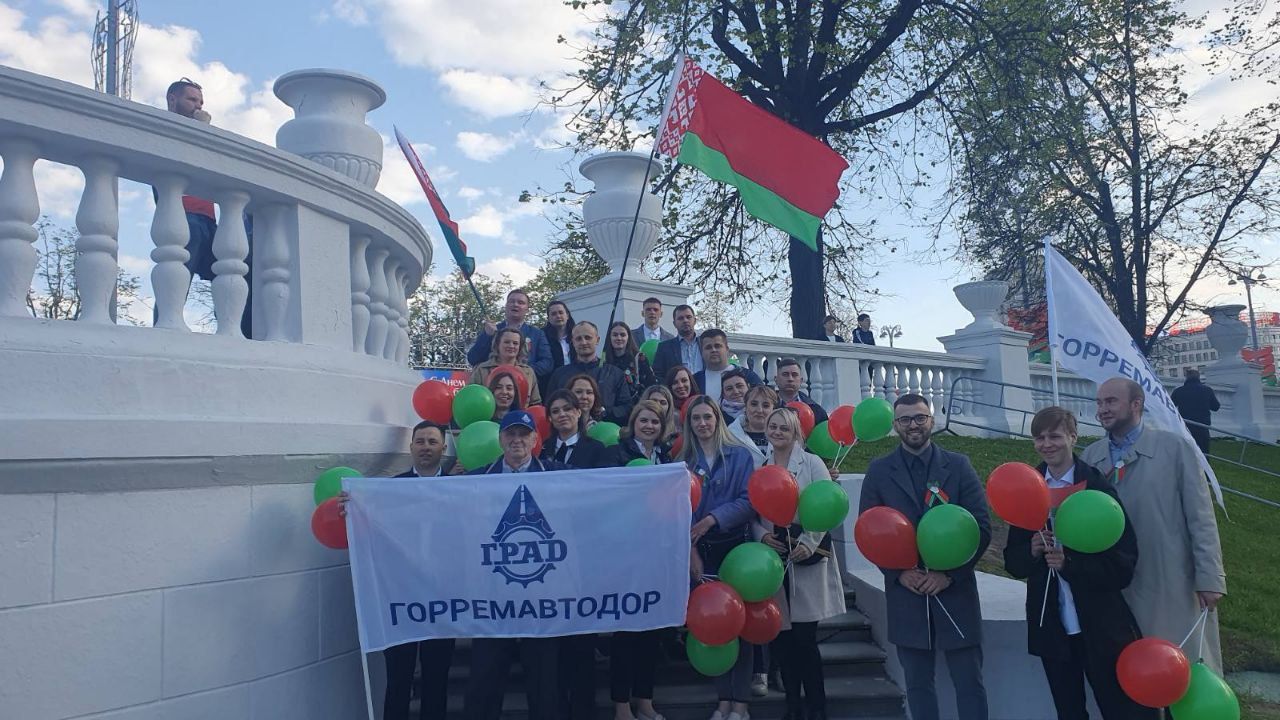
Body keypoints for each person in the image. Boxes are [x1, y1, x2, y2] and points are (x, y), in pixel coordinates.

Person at [1004, 407, 1156, 720]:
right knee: (1069, 711)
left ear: (1073, 437)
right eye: (1039, 438)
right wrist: (1031, 550)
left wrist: (1070, 564)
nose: (1047, 444)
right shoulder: (1027, 488)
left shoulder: (1096, 486)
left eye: (1055, 436)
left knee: (1121, 709)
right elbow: (1013, 563)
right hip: (1052, 625)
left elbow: (1122, 566)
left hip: (1100, 623)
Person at [858, 393, 991, 720]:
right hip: (908, 595)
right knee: (918, 686)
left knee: (969, 684)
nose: (913, 425)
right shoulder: (879, 471)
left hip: (956, 594)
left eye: (919, 417)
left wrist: (950, 576)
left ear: (931, 420)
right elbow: (869, 530)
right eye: (905, 419)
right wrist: (898, 574)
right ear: (895, 425)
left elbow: (981, 527)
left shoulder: (958, 466)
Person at [1080, 378, 1227, 672]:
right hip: (1115, 584)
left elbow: (1201, 518)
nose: (1102, 409)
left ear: (1136, 404)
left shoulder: (1175, 449)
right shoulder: (1090, 457)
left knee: (1176, 666)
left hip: (1168, 579)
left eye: (1111, 401)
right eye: (1099, 402)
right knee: (1126, 672)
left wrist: (1210, 578)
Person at [464, 410, 568, 720]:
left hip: (543, 599)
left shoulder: (559, 475)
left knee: (546, 686)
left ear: (536, 439)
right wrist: (365, 502)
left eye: (524, 434)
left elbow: (604, 488)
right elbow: (427, 500)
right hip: (492, 599)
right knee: (484, 683)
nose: (517, 440)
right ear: (500, 439)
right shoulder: (475, 480)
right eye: (511, 433)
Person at [357, 421, 457, 720]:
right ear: (411, 447)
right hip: (400, 598)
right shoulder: (390, 489)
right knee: (398, 677)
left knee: (437, 677)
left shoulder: (459, 490)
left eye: (432, 441)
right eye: (420, 441)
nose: (426, 447)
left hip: (443, 598)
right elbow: (368, 525)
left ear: (443, 447)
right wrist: (351, 506)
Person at [756, 408, 847, 720]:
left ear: (796, 432)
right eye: (773, 426)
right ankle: (792, 705)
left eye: (784, 427)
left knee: (805, 639)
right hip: (774, 557)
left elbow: (826, 502)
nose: (777, 432)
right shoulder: (761, 465)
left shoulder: (811, 463)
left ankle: (817, 707)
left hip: (805, 556)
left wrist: (809, 542)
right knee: (782, 639)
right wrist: (761, 536)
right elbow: (753, 511)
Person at [684, 396, 757, 720]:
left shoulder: (740, 455)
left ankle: (740, 702)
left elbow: (748, 501)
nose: (702, 423)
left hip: (734, 549)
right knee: (713, 622)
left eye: (707, 417)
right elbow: (679, 508)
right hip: (701, 552)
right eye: (696, 418)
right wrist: (691, 551)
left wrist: (712, 519)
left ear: (717, 419)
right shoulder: (684, 461)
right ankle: (723, 699)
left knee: (739, 623)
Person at [163, 78, 252, 337]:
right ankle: (165, 328)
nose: (198, 106)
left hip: (210, 221)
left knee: (238, 270)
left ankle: (237, 332)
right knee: (177, 276)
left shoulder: (200, 134)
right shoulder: (165, 128)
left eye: (200, 102)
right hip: (182, 215)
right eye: (191, 99)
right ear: (172, 100)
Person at [549, 321, 634, 423]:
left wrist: (606, 412)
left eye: (588, 338)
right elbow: (550, 406)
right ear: (573, 342)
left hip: (605, 429)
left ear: (597, 340)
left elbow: (626, 407)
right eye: (578, 339)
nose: (583, 342)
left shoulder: (615, 373)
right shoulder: (559, 375)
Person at [467, 288, 553, 380]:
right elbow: (473, 358)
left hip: (524, 383)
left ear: (527, 309)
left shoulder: (537, 334)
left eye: (521, 302)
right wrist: (487, 336)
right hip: (493, 382)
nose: (515, 304)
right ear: (506, 305)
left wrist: (522, 371)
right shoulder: (492, 330)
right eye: (512, 301)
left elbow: (547, 363)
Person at [470, 326, 542, 406]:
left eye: (515, 343)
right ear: (497, 344)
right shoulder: (482, 370)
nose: (511, 346)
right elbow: (470, 397)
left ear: (520, 347)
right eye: (507, 342)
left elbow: (535, 403)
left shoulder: (528, 372)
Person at [541, 389, 610, 469]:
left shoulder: (596, 449)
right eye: (555, 411)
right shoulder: (544, 449)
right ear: (550, 418)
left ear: (579, 413)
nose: (562, 414)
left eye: (567, 409)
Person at [693, 329, 762, 404]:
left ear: (727, 349)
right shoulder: (695, 381)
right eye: (708, 347)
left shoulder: (748, 376)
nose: (713, 350)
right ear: (702, 352)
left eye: (717, 346)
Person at [605, 321, 658, 403]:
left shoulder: (640, 358)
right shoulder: (604, 361)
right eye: (615, 335)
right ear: (610, 338)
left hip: (636, 405)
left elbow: (651, 384)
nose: (619, 338)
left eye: (622, 335)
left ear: (628, 337)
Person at [610, 399, 674, 467]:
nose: (649, 426)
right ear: (633, 422)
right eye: (643, 421)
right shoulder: (615, 453)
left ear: (662, 426)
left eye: (655, 422)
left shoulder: (665, 455)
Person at [1171, 368, 1221, 455]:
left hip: (1185, 426)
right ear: (1198, 377)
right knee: (1203, 453)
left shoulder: (1179, 391)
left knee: (1186, 453)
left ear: (1186, 377)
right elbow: (1216, 407)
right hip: (1202, 426)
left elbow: (1171, 406)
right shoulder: (1207, 390)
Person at [728, 384, 779, 466]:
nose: (759, 410)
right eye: (754, 404)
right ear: (745, 407)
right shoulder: (730, 436)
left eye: (766, 406)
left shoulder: (785, 435)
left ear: (773, 409)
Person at [653, 304, 704, 379]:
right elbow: (658, 375)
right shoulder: (664, 348)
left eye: (688, 317)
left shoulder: (705, 344)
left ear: (695, 321)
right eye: (680, 318)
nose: (685, 320)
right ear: (674, 324)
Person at [774, 358, 829, 424]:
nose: (790, 379)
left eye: (794, 375)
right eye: (785, 374)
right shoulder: (767, 406)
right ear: (776, 379)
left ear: (801, 380)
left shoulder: (816, 411)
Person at [541, 300, 576, 396]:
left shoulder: (577, 335)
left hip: (575, 381)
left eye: (561, 312)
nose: (558, 316)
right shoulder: (542, 337)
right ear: (548, 318)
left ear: (567, 315)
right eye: (554, 314)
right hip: (551, 384)